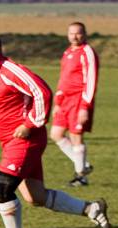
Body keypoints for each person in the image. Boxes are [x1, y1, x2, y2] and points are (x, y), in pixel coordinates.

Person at [0, 29, 111, 228]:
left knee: (1, 189)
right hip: (7, 142)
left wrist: (30, 123)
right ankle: (91, 208)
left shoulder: (11, 71)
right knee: (35, 197)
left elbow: (42, 92)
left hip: (25, 140)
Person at [50, 22, 98, 187]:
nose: (74, 36)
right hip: (65, 101)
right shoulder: (68, 52)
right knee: (56, 134)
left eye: (78, 33)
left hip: (79, 100)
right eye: (71, 33)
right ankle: (83, 165)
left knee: (76, 136)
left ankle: (81, 177)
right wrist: (58, 101)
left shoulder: (87, 52)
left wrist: (85, 106)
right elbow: (64, 77)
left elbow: (91, 80)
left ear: (84, 34)